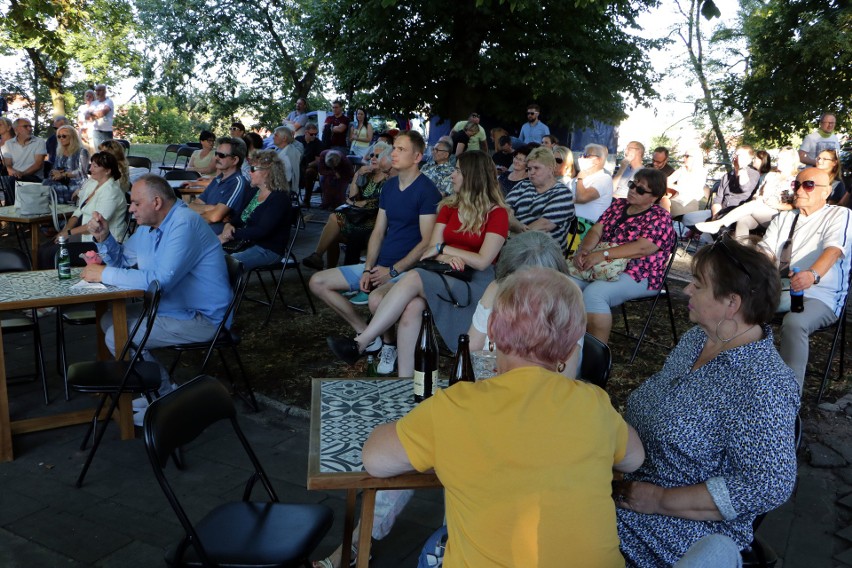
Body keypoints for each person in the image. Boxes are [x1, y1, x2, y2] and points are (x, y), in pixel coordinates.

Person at [362, 266, 645, 567]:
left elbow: (374, 459)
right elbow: (634, 458)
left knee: (432, 551)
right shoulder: (594, 405)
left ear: (493, 330)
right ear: (575, 338)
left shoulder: (457, 408)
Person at [615, 236, 799, 566]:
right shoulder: (698, 338)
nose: (687, 291)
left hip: (675, 532)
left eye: (698, 285)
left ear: (732, 303)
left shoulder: (762, 383)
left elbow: (770, 484)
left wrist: (660, 500)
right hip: (627, 493)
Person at [327, 150, 509, 377]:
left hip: (475, 283)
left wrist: (445, 249)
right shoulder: (449, 207)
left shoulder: (497, 214)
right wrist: (444, 254)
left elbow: (482, 261)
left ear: (472, 176)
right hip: (445, 273)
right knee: (412, 307)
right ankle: (406, 380)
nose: (452, 175)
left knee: (414, 277)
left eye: (458, 171)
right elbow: (430, 251)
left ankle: (361, 342)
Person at [81, 174, 231, 425]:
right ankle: (157, 389)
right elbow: (123, 262)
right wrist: (104, 238)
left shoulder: (184, 224)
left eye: (136, 204)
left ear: (157, 203)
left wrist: (103, 273)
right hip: (174, 307)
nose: (131, 209)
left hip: (204, 318)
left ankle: (166, 398)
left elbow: (161, 281)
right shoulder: (150, 228)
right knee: (109, 321)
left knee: (117, 335)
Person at [309, 130, 440, 370]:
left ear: (417, 157)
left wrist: (392, 271)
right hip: (380, 265)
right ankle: (369, 336)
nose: (394, 153)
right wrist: (369, 268)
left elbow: (427, 241)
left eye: (401, 149)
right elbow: (378, 232)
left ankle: (388, 345)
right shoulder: (389, 188)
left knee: (376, 300)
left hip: (407, 268)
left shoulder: (426, 190)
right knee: (318, 282)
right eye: (394, 148)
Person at [758, 167, 852, 391]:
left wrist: (813, 274)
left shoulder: (840, 215)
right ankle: (743, 381)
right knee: (735, 308)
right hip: (781, 290)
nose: (799, 190)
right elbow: (765, 252)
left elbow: (833, 250)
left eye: (808, 185)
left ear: (825, 192)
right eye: (796, 184)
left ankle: (788, 395)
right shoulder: (784, 218)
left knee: (795, 323)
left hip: (821, 295)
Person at [570, 168, 676, 344]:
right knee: (566, 286)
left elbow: (643, 248)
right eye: (633, 185)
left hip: (641, 274)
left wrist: (602, 255)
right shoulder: (618, 205)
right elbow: (596, 230)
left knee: (595, 294)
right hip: (601, 266)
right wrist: (584, 251)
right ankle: (566, 342)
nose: (633, 190)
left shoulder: (660, 217)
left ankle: (596, 355)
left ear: (654, 197)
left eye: (641, 190)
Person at [302, 143, 393, 271]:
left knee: (334, 219)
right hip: (358, 216)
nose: (372, 158)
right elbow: (352, 197)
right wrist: (357, 175)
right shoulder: (367, 175)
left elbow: (374, 204)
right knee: (332, 230)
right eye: (372, 155)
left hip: (372, 221)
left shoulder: (389, 179)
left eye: (377, 156)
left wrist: (354, 203)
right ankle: (329, 268)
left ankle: (319, 257)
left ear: (386, 159)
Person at [38, 151, 127, 269]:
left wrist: (68, 233)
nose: (91, 169)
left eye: (96, 166)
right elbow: (78, 211)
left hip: (104, 244)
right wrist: (65, 230)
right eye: (91, 165)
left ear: (108, 170)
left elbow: (96, 225)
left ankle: (56, 282)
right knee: (43, 249)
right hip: (86, 238)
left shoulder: (111, 191)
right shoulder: (93, 183)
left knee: (54, 252)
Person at [695, 147, 798, 238]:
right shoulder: (771, 176)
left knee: (755, 204)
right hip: (759, 209)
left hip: (778, 215)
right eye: (779, 158)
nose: (779, 161)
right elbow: (756, 195)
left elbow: (797, 205)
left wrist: (777, 205)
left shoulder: (796, 179)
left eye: (783, 159)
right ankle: (742, 252)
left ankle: (718, 224)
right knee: (743, 220)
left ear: (792, 161)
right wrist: (758, 197)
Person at [219, 150, 292, 271]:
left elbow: (261, 231)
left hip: (268, 250)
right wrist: (228, 225)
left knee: (222, 265)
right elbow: (238, 217)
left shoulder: (279, 198)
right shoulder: (254, 191)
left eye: (253, 169)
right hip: (245, 243)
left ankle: (225, 289)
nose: (249, 172)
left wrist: (230, 234)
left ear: (267, 172)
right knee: (206, 254)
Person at [506, 146, 574, 252]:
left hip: (544, 253)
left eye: (536, 168)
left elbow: (543, 226)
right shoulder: (522, 185)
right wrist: (518, 226)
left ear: (550, 168)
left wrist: (514, 230)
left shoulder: (563, 193)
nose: (531, 172)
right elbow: (504, 211)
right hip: (515, 246)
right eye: (529, 169)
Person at [682, 146, 760, 230]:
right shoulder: (726, 176)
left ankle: (716, 236)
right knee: (688, 218)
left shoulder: (753, 174)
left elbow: (744, 187)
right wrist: (714, 217)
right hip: (720, 212)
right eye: (735, 154)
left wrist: (741, 168)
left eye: (740, 156)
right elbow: (718, 200)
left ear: (749, 160)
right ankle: (712, 235)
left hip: (737, 216)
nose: (736, 158)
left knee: (725, 227)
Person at [188, 136, 250, 234]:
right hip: (201, 229)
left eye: (221, 155)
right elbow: (191, 206)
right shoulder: (217, 179)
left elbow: (215, 216)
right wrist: (212, 208)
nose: (216, 157)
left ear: (235, 160)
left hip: (215, 236)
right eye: (216, 153)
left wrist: (213, 212)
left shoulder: (237, 183)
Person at [43, 125, 90, 204]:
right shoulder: (59, 152)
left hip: (76, 182)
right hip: (60, 180)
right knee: (45, 185)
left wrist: (64, 174)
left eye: (64, 136)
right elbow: (55, 168)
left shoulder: (82, 152)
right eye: (59, 136)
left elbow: (82, 171)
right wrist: (54, 172)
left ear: (72, 137)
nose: (61, 138)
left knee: (56, 189)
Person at [573, 143, 614, 223]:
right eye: (581, 154)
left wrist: (580, 179)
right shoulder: (582, 177)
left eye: (585, 155)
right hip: (572, 223)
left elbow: (582, 198)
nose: (581, 157)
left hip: (586, 227)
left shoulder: (604, 178)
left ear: (598, 160)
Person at [663, 147, 707, 217]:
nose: (684, 158)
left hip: (688, 203)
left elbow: (690, 190)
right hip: (676, 199)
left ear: (695, 158)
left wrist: (672, 186)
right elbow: (666, 181)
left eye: (687, 156)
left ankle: (663, 224)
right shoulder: (682, 169)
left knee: (662, 203)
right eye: (684, 156)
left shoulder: (701, 172)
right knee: (660, 201)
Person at [1, 117, 47, 182]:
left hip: (34, 178)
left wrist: (22, 174)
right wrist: (13, 171)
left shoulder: (39, 142)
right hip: (14, 177)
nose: (30, 129)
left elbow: (38, 164)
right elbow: (7, 164)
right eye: (25, 126)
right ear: (16, 129)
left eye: (30, 126)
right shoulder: (9, 143)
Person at [272, 125, 299, 192]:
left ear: (284, 138)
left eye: (276, 135)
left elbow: (286, 173)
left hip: (282, 185)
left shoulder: (290, 153)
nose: (273, 137)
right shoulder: (279, 149)